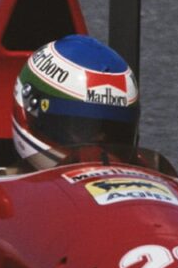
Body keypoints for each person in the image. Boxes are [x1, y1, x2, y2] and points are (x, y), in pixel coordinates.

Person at [11, 34, 139, 170]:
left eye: (114, 132)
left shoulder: (150, 182)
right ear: (30, 110)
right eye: (82, 128)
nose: (98, 150)